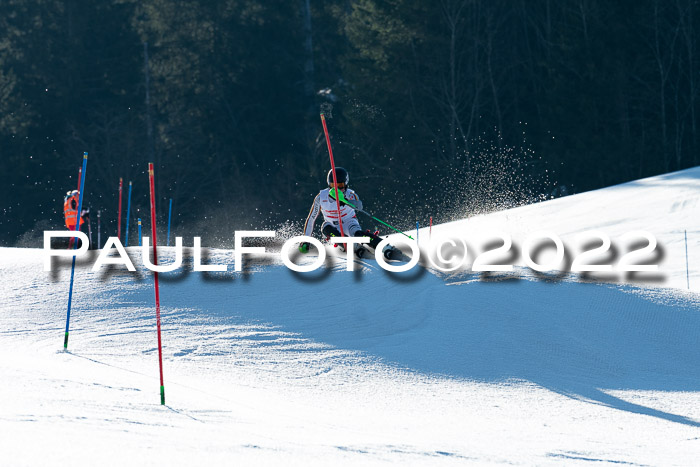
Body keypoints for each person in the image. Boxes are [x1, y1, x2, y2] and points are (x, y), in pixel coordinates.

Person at [300, 167, 396, 259]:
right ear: (329, 184)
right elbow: (311, 219)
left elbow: (359, 206)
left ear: (346, 184)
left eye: (340, 186)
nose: (337, 190)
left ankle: (384, 246)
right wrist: (306, 239)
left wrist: (345, 201)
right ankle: (353, 246)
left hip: (349, 222)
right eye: (334, 186)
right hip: (333, 226)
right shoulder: (321, 197)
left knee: (358, 234)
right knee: (325, 227)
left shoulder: (350, 194)